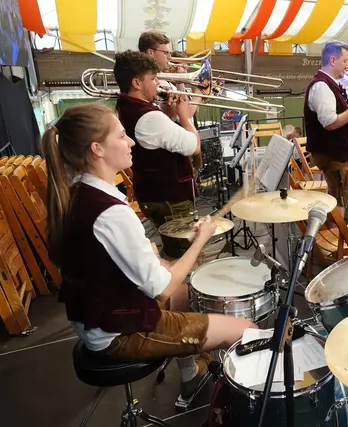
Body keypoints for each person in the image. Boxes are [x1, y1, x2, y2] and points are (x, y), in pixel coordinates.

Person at [44, 103, 256, 399]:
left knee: (187, 293)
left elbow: (112, 265)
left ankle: (190, 374)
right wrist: (201, 239)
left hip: (97, 320)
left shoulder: (81, 192)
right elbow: (163, 288)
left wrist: (156, 261)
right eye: (121, 136)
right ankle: (238, 406)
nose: (131, 142)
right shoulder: (111, 214)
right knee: (245, 328)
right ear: (97, 149)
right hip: (118, 334)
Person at [113, 50, 201, 258]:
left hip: (153, 193)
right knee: (185, 256)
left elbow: (159, 137)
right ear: (137, 83)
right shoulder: (148, 117)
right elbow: (194, 146)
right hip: (169, 198)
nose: (158, 83)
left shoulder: (128, 107)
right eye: (152, 79)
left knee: (172, 249)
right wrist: (185, 116)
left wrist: (170, 111)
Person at [303, 41, 348, 212]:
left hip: (337, 151)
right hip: (332, 154)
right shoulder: (321, 86)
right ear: (332, 60)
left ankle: (338, 224)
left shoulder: (329, 83)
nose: (347, 66)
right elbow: (330, 123)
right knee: (337, 200)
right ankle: (337, 227)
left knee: (339, 199)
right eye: (345, 61)